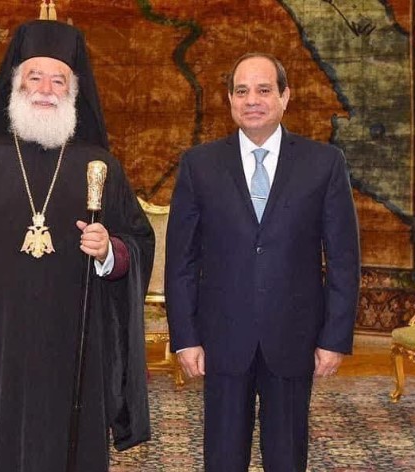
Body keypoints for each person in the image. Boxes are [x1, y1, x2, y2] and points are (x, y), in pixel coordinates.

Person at [0, 19, 154, 472]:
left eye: (58, 80)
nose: (45, 89)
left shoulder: (101, 167)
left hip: (75, 347)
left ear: (73, 91)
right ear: (15, 85)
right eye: (34, 77)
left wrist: (109, 252)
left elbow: (136, 243)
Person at [165, 52, 361, 472]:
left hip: (294, 338)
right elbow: (181, 260)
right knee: (222, 458)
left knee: (287, 457)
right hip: (221, 340)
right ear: (230, 100)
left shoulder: (324, 163)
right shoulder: (199, 165)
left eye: (264, 89)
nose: (252, 100)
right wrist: (185, 337)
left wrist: (334, 337)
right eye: (241, 91)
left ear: (285, 97)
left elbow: (343, 259)